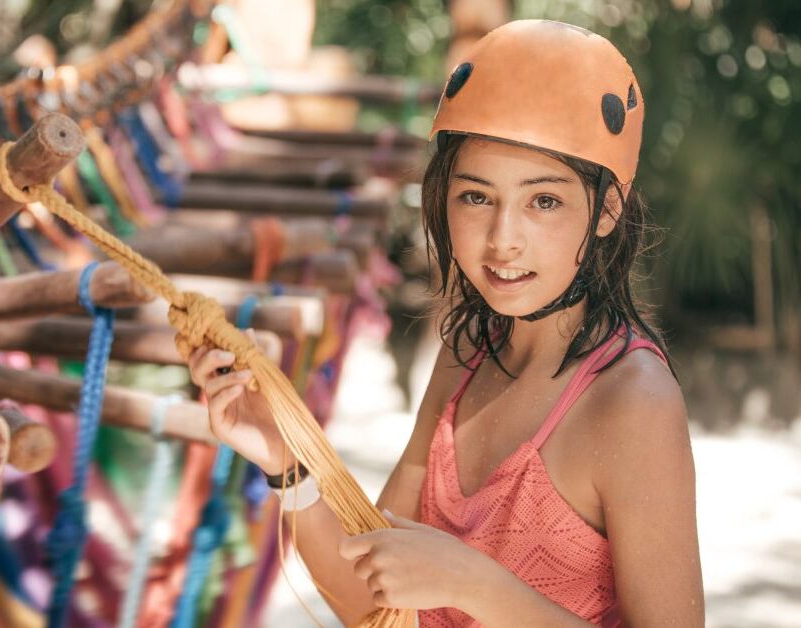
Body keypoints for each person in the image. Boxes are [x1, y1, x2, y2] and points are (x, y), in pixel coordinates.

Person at [188, 19, 704, 627]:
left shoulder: (632, 401)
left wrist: (477, 586)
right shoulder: (468, 355)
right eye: (477, 197)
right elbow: (372, 605)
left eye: (544, 201)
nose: (503, 240)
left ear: (607, 211)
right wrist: (284, 463)